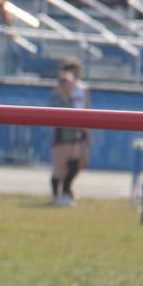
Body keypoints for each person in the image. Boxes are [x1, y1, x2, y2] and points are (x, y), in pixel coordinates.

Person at [48, 60, 89, 206]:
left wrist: (85, 131)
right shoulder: (58, 94)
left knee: (75, 163)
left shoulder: (79, 91)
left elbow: (84, 109)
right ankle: (57, 196)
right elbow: (55, 112)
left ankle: (66, 191)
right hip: (62, 133)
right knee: (59, 167)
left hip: (75, 132)